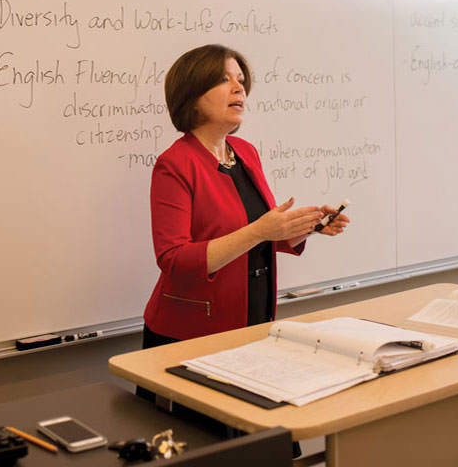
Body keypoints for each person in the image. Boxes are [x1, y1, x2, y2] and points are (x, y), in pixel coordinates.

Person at [143, 44, 349, 349]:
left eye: (240, 80)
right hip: (190, 332)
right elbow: (174, 259)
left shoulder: (245, 152)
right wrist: (260, 231)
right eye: (224, 79)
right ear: (192, 94)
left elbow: (257, 236)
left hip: (253, 318)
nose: (239, 88)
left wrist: (305, 227)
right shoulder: (175, 164)